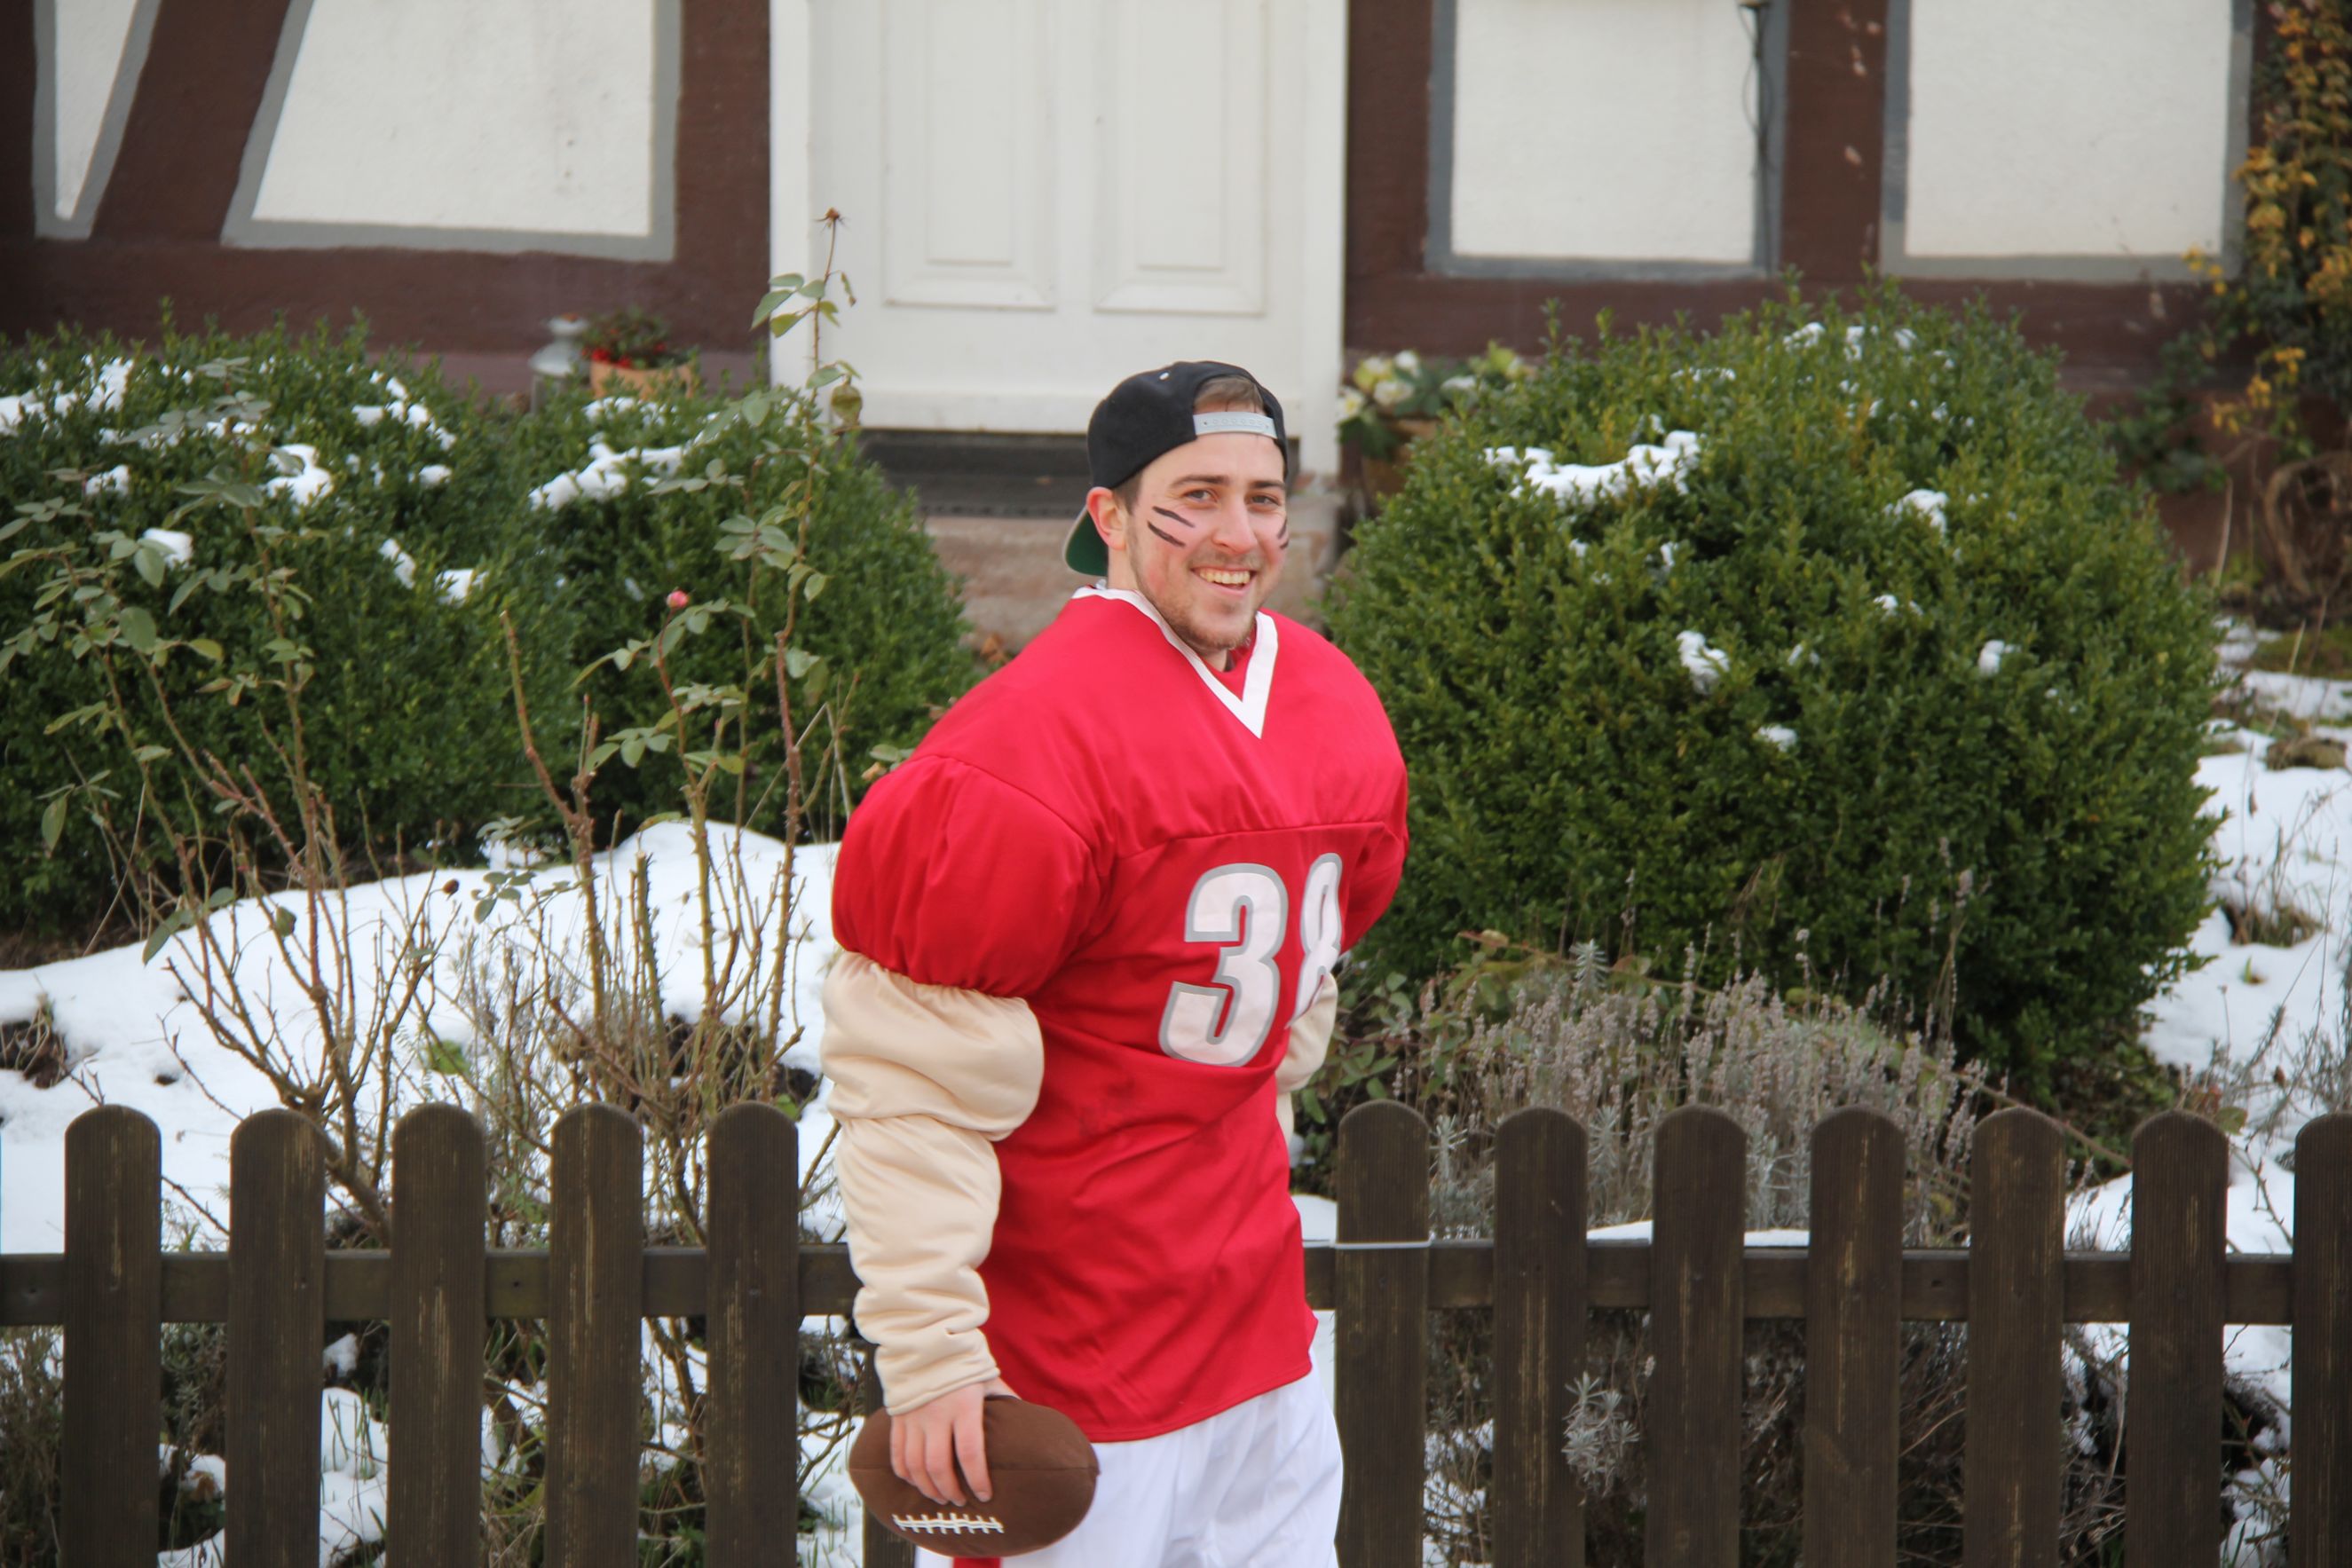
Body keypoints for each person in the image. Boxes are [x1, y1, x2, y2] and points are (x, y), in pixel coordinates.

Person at [821, 360, 1409, 1566]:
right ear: (1110, 516)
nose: (1238, 534)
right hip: (1073, 1365)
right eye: (1196, 496)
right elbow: (910, 1086)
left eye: (1262, 496)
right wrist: (932, 1357)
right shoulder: (1022, 746)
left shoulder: (1331, 701)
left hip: (1259, 1342)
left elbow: (1295, 1013)